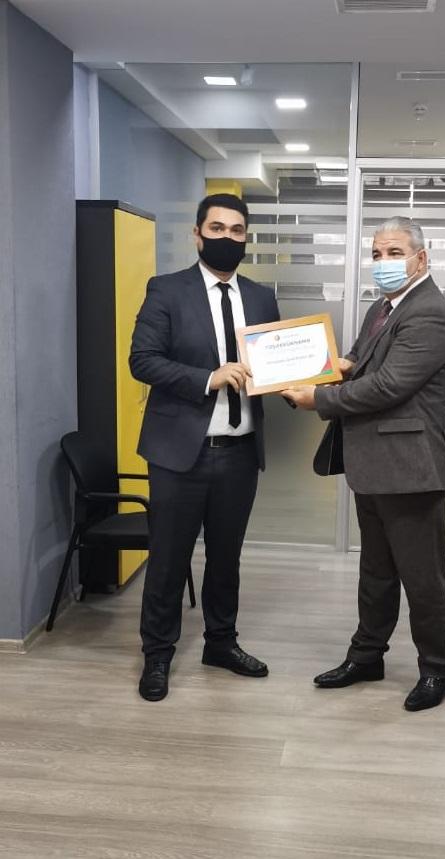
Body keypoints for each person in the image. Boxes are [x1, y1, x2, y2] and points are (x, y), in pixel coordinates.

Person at [282, 217, 445, 712]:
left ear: (421, 259)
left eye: (395, 253)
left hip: (411, 468)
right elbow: (360, 361)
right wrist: (329, 366)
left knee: (421, 578)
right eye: (377, 254)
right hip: (375, 464)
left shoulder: (429, 313)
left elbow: (388, 386)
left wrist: (318, 398)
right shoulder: (383, 307)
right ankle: (366, 657)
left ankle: (436, 670)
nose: (384, 263)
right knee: (376, 572)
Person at [130, 193, 279, 701]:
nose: (227, 238)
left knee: (226, 557)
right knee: (168, 560)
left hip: (240, 452)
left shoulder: (260, 297)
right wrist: (209, 377)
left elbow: (272, 364)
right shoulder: (167, 290)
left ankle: (221, 643)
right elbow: (142, 360)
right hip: (179, 453)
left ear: (245, 238)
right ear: (197, 235)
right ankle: (157, 655)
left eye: (237, 231)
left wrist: (301, 379)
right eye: (217, 229)